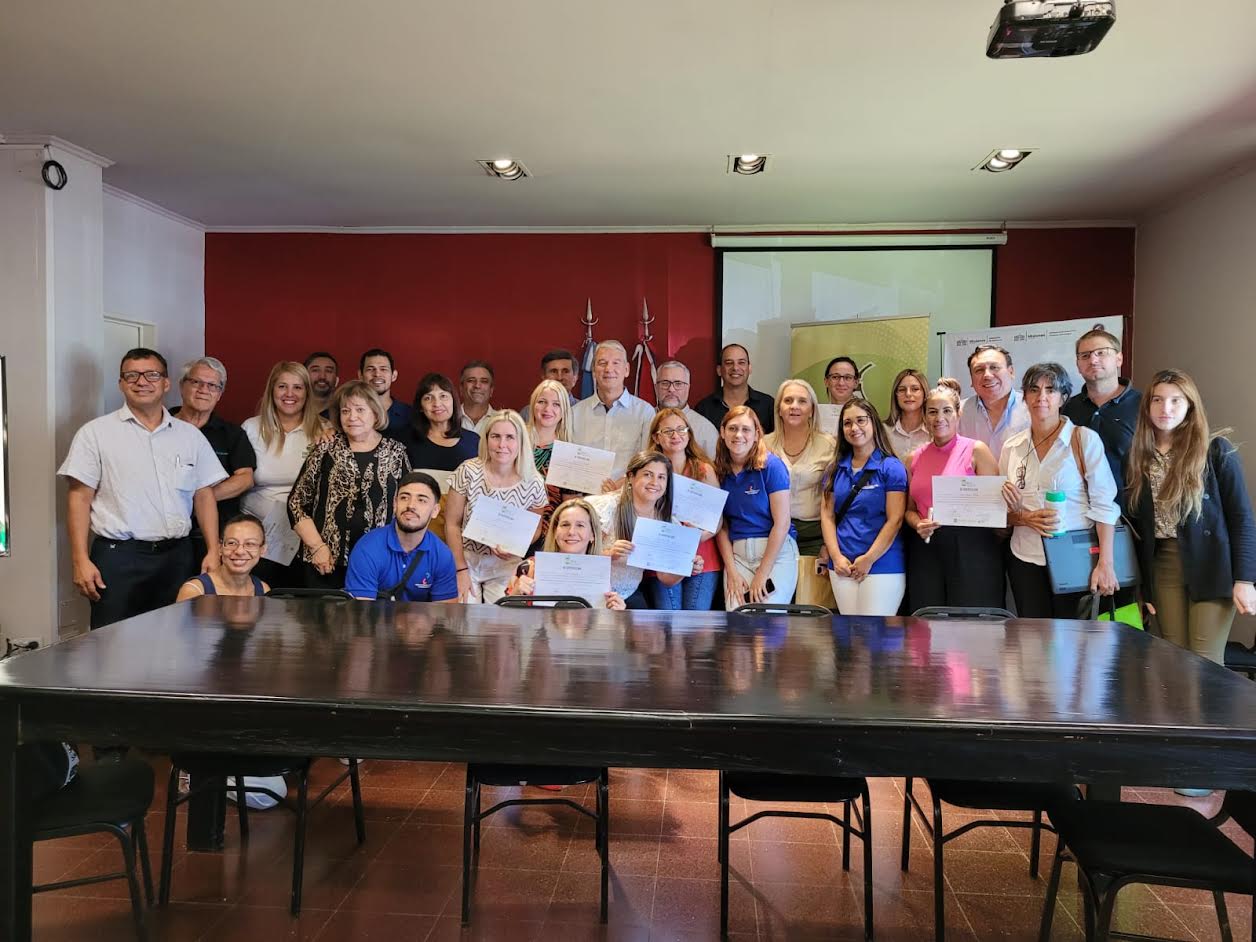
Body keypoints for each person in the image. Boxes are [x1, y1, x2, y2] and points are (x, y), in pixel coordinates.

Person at [59, 348, 227, 629]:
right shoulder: (95, 433)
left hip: (177, 557)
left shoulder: (190, 436)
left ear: (166, 383)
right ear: (121, 384)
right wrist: (80, 560)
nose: (142, 381)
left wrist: (213, 550)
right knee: (112, 643)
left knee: (177, 642)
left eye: (152, 374)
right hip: (119, 558)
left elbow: (204, 495)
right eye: (132, 375)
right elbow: (79, 498)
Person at [1126, 368, 1256, 663]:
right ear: (1147, 406)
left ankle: (1209, 713)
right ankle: (1180, 712)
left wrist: (1245, 580)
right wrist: (1143, 587)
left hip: (1211, 563)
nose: (1165, 408)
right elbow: (1138, 529)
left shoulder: (1215, 451)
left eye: (1175, 401)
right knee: (1175, 660)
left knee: (1205, 663)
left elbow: (1242, 518)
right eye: (1157, 400)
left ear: (1190, 406)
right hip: (1164, 565)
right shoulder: (1138, 457)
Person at [1000, 362, 1120, 618]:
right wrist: (1023, 518)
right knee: (1032, 642)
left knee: (1074, 644)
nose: (1041, 397)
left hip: (1076, 560)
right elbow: (1000, 512)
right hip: (1025, 558)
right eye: (1034, 389)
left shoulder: (1083, 439)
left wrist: (1105, 563)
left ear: (1063, 397)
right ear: (1025, 396)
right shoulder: (1012, 447)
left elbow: (1105, 506)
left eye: (1051, 390)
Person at [288, 380, 410, 589]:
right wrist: (317, 548)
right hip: (324, 563)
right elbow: (296, 503)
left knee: (374, 621)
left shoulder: (396, 452)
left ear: (375, 413)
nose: (352, 417)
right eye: (345, 411)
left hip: (379, 562)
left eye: (360, 410)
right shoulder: (325, 448)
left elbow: (408, 504)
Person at [903, 384, 1005, 610]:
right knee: (928, 618)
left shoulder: (977, 450)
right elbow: (908, 509)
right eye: (932, 411)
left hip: (972, 549)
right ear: (925, 416)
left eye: (947, 410)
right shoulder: (913, 458)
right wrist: (918, 523)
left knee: (969, 621)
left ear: (958, 414)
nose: (939, 418)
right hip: (926, 548)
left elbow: (995, 506)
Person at [241, 362, 329, 588]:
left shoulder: (324, 430)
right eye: (282, 386)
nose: (289, 394)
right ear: (272, 390)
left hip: (306, 538)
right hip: (257, 539)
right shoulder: (251, 428)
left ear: (307, 393)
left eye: (298, 388)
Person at [446, 410, 548, 602]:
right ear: (486, 439)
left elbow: (536, 530)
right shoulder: (468, 471)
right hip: (467, 559)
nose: (502, 445)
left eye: (510, 437)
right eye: (496, 436)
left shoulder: (533, 481)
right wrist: (460, 568)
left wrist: (514, 545)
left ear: (520, 443)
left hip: (507, 564)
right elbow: (451, 524)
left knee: (503, 623)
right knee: (465, 617)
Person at [820, 399, 907, 615]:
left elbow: (895, 519)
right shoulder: (834, 469)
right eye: (847, 423)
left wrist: (869, 558)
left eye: (861, 420)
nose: (854, 428)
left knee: (874, 639)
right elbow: (827, 516)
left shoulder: (891, 467)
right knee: (850, 638)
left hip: (881, 563)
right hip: (842, 565)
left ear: (874, 423)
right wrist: (836, 556)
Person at [587, 451, 702, 609]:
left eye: (661, 477)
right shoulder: (606, 507)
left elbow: (665, 579)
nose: (655, 482)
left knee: (652, 630)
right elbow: (574, 555)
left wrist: (684, 567)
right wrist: (609, 555)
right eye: (648, 475)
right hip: (590, 590)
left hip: (628, 593)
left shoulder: (668, 523)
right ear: (631, 477)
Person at [172, 357, 257, 563]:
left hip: (217, 538)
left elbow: (245, 478)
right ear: (182, 386)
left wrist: (200, 499)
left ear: (219, 394)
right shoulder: (160, 427)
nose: (204, 389)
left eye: (212, 385)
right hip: (168, 537)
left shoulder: (232, 434)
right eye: (196, 382)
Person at [715, 406, 798, 607]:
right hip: (738, 558)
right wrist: (732, 572)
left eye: (746, 429)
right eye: (733, 428)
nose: (739, 435)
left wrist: (762, 573)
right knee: (738, 623)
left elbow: (782, 523)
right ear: (723, 432)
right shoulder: (717, 471)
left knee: (766, 625)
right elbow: (720, 526)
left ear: (756, 434)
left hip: (775, 555)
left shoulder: (772, 466)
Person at [345, 472, 460, 602]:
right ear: (395, 504)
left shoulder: (442, 555)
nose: (411, 505)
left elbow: (444, 616)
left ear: (435, 511)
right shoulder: (367, 548)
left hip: (424, 622)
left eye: (421, 500)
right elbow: (361, 614)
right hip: (376, 621)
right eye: (404, 498)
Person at [648, 408, 721, 610]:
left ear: (689, 433)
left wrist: (696, 537)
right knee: (666, 623)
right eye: (668, 431)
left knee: (694, 627)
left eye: (681, 429)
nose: (676, 435)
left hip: (703, 556)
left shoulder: (704, 469)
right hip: (663, 557)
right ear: (657, 437)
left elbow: (718, 520)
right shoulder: (650, 471)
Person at [1061, 328, 1141, 509]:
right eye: (1085, 355)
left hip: (1130, 516)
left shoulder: (1144, 405)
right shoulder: (1067, 409)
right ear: (1078, 363)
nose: (1093, 360)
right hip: (1078, 514)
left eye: (1101, 353)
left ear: (1119, 359)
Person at [506, 497, 626, 609]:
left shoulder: (600, 575)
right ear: (555, 531)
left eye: (580, 525)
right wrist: (515, 596)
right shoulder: (528, 568)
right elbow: (505, 620)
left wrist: (617, 612)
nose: (571, 532)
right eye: (565, 524)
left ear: (592, 535)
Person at [763, 379, 836, 557]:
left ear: (812, 410)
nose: (794, 406)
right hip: (770, 533)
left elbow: (837, 498)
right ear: (779, 409)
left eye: (802, 401)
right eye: (788, 401)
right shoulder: (763, 445)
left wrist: (830, 545)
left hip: (815, 537)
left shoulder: (829, 445)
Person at [569, 340, 656, 485]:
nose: (608, 369)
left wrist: (624, 483)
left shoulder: (645, 412)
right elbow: (568, 463)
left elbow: (649, 460)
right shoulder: (574, 413)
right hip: (586, 497)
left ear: (627, 370)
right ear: (594, 370)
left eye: (616, 363)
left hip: (629, 496)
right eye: (602, 363)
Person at [393, 373, 480, 473]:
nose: (437, 404)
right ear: (420, 406)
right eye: (428, 398)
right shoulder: (404, 441)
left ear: (453, 401)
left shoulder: (474, 441)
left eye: (443, 396)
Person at [524, 379, 576, 549]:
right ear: (533, 405)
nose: (548, 409)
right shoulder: (515, 441)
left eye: (556, 404)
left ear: (564, 411)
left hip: (551, 535)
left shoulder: (570, 453)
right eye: (542, 402)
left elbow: (570, 504)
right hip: (512, 524)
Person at [958, 344, 1029, 460]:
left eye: (994, 367)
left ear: (1011, 372)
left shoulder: (1033, 409)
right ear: (971, 379)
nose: (987, 375)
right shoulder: (957, 413)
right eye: (979, 370)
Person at [176, 514, 270, 599]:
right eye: (232, 543)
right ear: (220, 548)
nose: (239, 551)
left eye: (250, 544)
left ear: (262, 550)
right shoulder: (195, 591)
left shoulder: (264, 590)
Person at [694, 343, 775, 434]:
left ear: (749, 368)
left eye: (741, 363)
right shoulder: (704, 409)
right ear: (719, 370)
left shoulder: (768, 405)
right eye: (729, 363)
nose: (735, 368)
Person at [654, 360, 719, 457]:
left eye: (678, 383)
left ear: (688, 388)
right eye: (665, 383)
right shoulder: (644, 419)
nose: (671, 389)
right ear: (655, 387)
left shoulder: (705, 429)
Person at [359, 348, 412, 437]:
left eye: (383, 369)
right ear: (360, 375)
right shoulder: (348, 414)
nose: (377, 374)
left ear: (394, 376)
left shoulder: (410, 415)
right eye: (370, 369)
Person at [884, 368, 930, 460]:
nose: (908, 394)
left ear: (924, 394)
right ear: (895, 395)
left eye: (915, 389)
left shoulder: (934, 431)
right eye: (902, 390)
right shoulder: (883, 430)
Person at [520, 349, 579, 421]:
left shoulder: (584, 411)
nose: (559, 377)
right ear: (543, 377)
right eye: (553, 371)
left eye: (565, 371)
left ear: (575, 378)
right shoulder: (527, 414)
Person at [459, 360, 496, 434]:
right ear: (461, 388)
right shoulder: (446, 420)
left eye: (484, 381)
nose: (477, 386)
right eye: (471, 380)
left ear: (491, 390)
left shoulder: (502, 421)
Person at [304, 351, 339, 416]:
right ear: (303, 377)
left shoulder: (343, 415)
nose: (322, 376)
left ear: (337, 381)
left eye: (328, 371)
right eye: (315, 370)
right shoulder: (292, 412)